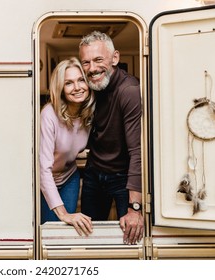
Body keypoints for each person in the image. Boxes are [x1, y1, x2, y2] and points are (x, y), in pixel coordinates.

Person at [78, 31, 144, 244]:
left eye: (98, 60)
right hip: (94, 173)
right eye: (85, 62)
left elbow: (138, 151)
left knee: (129, 238)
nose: (92, 68)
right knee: (88, 238)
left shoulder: (129, 90)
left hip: (122, 177)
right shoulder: (90, 88)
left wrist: (135, 207)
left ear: (115, 58)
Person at [40, 57, 94, 236]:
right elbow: (43, 169)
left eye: (81, 80)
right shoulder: (48, 115)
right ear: (60, 89)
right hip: (45, 181)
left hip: (69, 177)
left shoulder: (88, 113)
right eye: (69, 83)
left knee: (66, 234)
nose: (77, 87)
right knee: (51, 232)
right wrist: (64, 214)